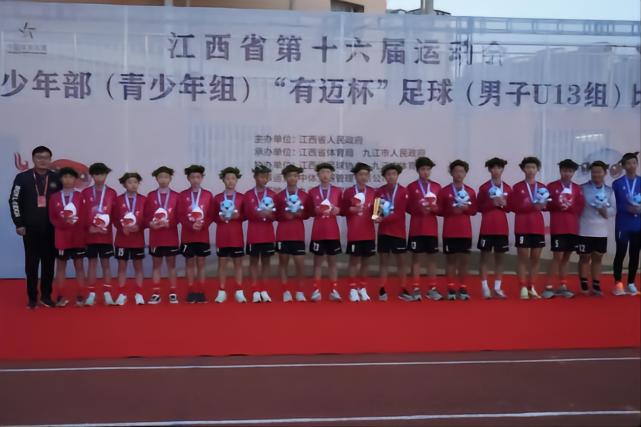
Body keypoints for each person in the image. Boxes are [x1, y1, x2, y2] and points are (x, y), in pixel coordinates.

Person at [9, 146, 62, 309]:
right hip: (30, 228)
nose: (42, 160)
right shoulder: (22, 178)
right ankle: (32, 298)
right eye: (39, 157)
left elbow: (63, 202)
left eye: (46, 157)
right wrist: (19, 223)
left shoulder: (56, 178)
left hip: (51, 229)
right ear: (33, 158)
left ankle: (46, 296)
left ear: (50, 159)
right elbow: (14, 200)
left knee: (49, 264)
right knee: (31, 265)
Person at [508, 156, 549, 300]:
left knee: (536, 258)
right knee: (523, 258)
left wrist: (543, 205)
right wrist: (527, 204)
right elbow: (511, 206)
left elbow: (547, 206)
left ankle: (532, 286)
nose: (530, 170)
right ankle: (523, 286)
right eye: (528, 167)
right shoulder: (517, 187)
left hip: (537, 225)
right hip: (522, 225)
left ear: (537, 170)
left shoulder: (542, 187)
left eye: (533, 167)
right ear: (523, 169)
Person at [437, 160, 478, 301]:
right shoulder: (444, 191)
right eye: (456, 171)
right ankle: (451, 288)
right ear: (451, 173)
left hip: (465, 231)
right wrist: (451, 210)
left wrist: (467, 209)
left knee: (464, 261)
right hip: (449, 231)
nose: (459, 174)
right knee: (451, 261)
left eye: (461, 171)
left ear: (465, 173)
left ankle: (463, 287)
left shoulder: (470, 191)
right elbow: (439, 211)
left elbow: (474, 210)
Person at [544, 159, 585, 299]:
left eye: (570, 171)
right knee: (557, 256)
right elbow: (545, 205)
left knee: (567, 257)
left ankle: (563, 286)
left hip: (572, 227)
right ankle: (548, 286)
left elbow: (580, 206)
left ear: (573, 172)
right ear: (560, 171)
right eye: (564, 170)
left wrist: (570, 207)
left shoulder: (577, 188)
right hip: (558, 226)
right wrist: (557, 205)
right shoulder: (552, 186)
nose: (567, 173)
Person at [48, 167, 87, 307]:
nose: (68, 180)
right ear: (60, 179)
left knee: (79, 267)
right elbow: (52, 217)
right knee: (60, 268)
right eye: (65, 177)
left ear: (75, 179)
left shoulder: (80, 196)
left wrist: (75, 222)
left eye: (71, 177)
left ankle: (81, 296)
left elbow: (84, 216)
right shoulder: (54, 197)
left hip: (78, 237)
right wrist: (64, 223)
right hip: (62, 237)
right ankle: (60, 296)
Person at [406, 157, 442, 301]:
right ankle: (416, 288)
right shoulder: (411, 187)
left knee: (432, 259)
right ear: (418, 170)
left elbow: (441, 208)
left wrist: (434, 208)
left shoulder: (437, 187)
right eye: (422, 169)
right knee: (416, 259)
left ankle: (432, 289)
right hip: (416, 227)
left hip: (431, 228)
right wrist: (418, 208)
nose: (425, 172)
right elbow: (407, 207)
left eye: (428, 169)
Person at [577, 161, 615, 297]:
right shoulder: (582, 188)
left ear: (605, 173)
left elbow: (613, 209)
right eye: (593, 172)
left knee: (598, 258)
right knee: (584, 257)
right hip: (584, 229)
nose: (596, 174)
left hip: (601, 231)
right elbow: (576, 205)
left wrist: (604, 211)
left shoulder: (609, 190)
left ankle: (596, 284)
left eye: (599, 172)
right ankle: (583, 283)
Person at [82, 162, 117, 306]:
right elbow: (82, 213)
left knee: (106, 264)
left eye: (102, 174)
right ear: (92, 176)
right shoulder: (85, 193)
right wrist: (89, 227)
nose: (99, 177)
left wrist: (120, 225)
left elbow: (115, 214)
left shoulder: (112, 193)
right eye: (96, 174)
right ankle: (91, 294)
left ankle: (107, 294)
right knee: (91, 264)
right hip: (90, 236)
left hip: (105, 236)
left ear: (106, 175)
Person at [144, 166, 180, 304]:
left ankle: (173, 292)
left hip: (171, 236)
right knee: (156, 265)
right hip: (156, 237)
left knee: (172, 265)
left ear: (170, 179)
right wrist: (150, 224)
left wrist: (170, 223)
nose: (163, 180)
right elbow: (146, 216)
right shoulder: (151, 196)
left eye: (166, 177)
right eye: (160, 177)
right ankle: (156, 293)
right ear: (156, 179)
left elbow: (179, 216)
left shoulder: (176, 196)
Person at [308, 163, 344, 302]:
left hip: (332, 232)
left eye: (328, 172)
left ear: (331, 174)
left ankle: (334, 290)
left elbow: (342, 209)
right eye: (322, 172)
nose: (325, 175)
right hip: (318, 231)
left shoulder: (337, 191)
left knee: (332, 262)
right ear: (318, 174)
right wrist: (316, 210)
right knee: (317, 262)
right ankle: (316, 290)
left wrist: (337, 210)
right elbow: (309, 211)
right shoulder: (312, 191)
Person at [477, 157, 511, 299]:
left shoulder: (507, 188)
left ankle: (497, 287)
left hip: (502, 228)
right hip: (487, 227)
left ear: (502, 170)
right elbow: (478, 207)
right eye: (493, 168)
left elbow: (510, 208)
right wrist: (491, 203)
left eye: (499, 168)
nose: (496, 171)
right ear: (490, 170)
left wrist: (504, 204)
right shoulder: (484, 188)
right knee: (484, 258)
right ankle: (485, 287)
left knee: (500, 259)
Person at [341, 162, 376, 302]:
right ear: (355, 176)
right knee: (354, 261)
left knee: (366, 261)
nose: (363, 177)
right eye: (361, 174)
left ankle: (363, 287)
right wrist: (351, 209)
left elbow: (376, 211)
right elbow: (343, 210)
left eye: (366, 174)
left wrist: (378, 216)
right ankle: (352, 288)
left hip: (369, 232)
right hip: (355, 232)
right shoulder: (349, 192)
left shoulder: (373, 192)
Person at [375, 163, 409, 301]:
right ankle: (382, 289)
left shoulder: (403, 191)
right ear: (384, 176)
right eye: (388, 174)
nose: (391, 176)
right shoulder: (379, 191)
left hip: (398, 232)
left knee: (401, 262)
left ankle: (403, 289)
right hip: (383, 232)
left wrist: (383, 219)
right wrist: (376, 217)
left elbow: (400, 213)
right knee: (383, 262)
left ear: (397, 175)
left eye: (394, 174)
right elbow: (376, 211)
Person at [275, 164, 310, 302]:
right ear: (285, 178)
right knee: (283, 264)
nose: (292, 178)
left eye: (295, 175)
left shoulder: (304, 195)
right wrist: (284, 216)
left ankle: (300, 291)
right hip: (283, 233)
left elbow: (308, 214)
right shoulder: (279, 196)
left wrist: (301, 214)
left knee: (300, 265)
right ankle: (285, 291)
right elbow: (275, 215)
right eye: (289, 176)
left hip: (298, 234)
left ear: (298, 177)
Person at [211, 167, 246, 303]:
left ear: (236, 180)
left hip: (236, 236)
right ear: (223, 180)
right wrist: (220, 218)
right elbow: (213, 216)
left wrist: (239, 216)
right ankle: (221, 291)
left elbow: (246, 215)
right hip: (222, 236)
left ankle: (239, 291)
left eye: (233, 178)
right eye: (227, 178)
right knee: (222, 264)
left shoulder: (242, 197)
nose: (230, 181)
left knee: (238, 264)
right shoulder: (217, 198)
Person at [244, 165, 277, 303]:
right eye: (261, 176)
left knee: (266, 262)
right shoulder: (248, 195)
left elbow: (276, 215)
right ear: (255, 177)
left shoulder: (272, 194)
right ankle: (255, 290)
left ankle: (264, 289)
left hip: (267, 233)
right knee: (253, 262)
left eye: (266, 177)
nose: (264, 179)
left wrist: (269, 215)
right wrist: (258, 214)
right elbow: (246, 214)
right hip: (254, 233)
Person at [112, 172, 147, 306]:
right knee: (122, 267)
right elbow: (114, 219)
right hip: (122, 239)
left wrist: (140, 226)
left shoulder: (144, 200)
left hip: (137, 239)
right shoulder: (118, 200)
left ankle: (139, 294)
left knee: (138, 267)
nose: (133, 185)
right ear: (124, 184)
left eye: (135, 182)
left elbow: (147, 218)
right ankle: (122, 294)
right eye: (130, 182)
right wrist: (122, 228)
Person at [611, 152, 640, 296]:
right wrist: (626, 208)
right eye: (628, 163)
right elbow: (613, 204)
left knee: (635, 254)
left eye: (634, 162)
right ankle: (618, 283)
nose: (632, 166)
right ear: (623, 166)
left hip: (638, 224)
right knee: (621, 253)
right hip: (622, 224)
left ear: (637, 164)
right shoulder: (617, 183)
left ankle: (631, 283)